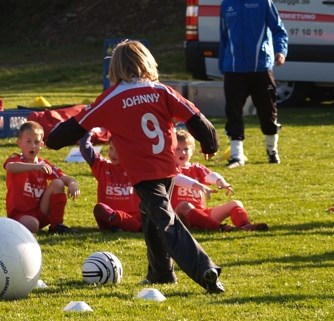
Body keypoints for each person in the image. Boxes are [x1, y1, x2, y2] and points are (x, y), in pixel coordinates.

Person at [47, 39, 226, 293]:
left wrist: (52, 140)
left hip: (143, 173)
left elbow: (76, 125)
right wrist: (210, 144)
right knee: (150, 215)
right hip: (168, 167)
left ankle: (205, 269)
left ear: (115, 68)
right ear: (147, 62)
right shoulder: (162, 90)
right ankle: (161, 274)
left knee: (164, 219)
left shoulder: (111, 97)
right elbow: (196, 117)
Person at [219, 0, 288, 167]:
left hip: (260, 67)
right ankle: (236, 155)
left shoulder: (262, 0)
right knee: (233, 112)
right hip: (233, 69)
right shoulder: (226, 5)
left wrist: (280, 51)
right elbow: (224, 39)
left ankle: (271, 150)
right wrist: (223, 67)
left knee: (267, 111)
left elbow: (279, 30)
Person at [172, 130, 268, 232]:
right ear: (170, 151)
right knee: (184, 205)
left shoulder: (196, 167)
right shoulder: (169, 168)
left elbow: (210, 175)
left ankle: (245, 226)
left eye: (186, 149)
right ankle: (220, 228)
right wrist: (200, 186)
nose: (182, 152)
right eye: (178, 149)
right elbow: (178, 179)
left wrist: (221, 182)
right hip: (177, 215)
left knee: (235, 203)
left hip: (202, 213)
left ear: (192, 151)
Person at [4, 121, 79, 234]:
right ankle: (25, 226)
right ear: (19, 143)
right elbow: (10, 167)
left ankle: (56, 225)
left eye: (36, 142)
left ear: (41, 145)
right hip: (20, 215)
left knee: (58, 183)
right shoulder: (16, 159)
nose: (32, 146)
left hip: (40, 212)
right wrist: (34, 167)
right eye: (28, 141)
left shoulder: (43, 164)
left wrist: (73, 184)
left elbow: (64, 178)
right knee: (33, 225)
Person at [78, 130, 142, 233]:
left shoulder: (137, 169)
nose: (113, 154)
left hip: (133, 219)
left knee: (121, 216)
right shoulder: (102, 166)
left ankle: (135, 228)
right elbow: (84, 146)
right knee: (99, 209)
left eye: (118, 151)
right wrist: (88, 127)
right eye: (111, 148)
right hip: (108, 216)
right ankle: (115, 226)